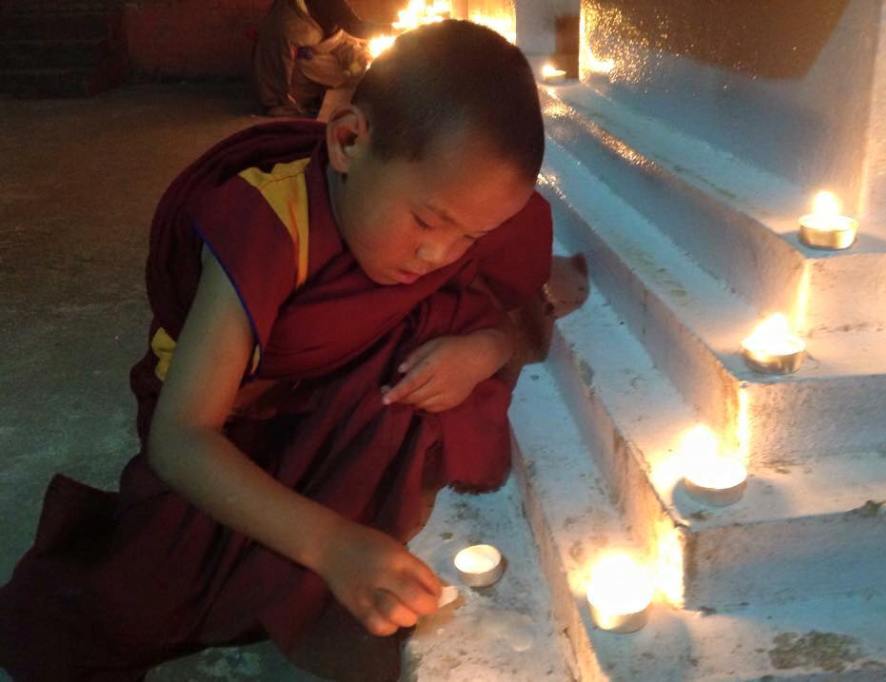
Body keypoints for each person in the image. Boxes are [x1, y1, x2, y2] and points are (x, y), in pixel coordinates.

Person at [0, 19, 552, 682]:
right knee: (141, 593)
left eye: (470, 236)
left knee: (406, 379)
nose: (438, 254)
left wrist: (484, 349)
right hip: (234, 427)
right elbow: (180, 438)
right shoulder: (269, 224)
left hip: (328, 409)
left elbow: (509, 302)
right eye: (428, 222)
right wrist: (334, 546)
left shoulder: (440, 215)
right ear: (348, 140)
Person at [252, 0, 382, 118]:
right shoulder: (287, 22)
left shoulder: (330, 15)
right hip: (295, 74)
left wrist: (359, 58)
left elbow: (341, 38)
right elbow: (356, 26)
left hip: (324, 53)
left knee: (359, 60)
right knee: (339, 70)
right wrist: (392, 30)